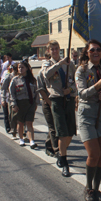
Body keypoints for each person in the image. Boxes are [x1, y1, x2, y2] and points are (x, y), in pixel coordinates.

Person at [75, 39, 101, 201]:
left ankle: (97, 190)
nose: (96, 52)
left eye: (98, 49)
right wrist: (97, 86)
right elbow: (82, 93)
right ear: (87, 53)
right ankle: (88, 188)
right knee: (94, 154)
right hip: (87, 114)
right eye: (92, 50)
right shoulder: (81, 71)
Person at [41, 40, 77, 177]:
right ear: (49, 51)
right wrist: (59, 64)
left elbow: (76, 81)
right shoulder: (47, 64)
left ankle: (62, 153)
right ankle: (64, 160)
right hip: (56, 99)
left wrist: (71, 89)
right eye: (52, 49)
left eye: (57, 48)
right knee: (61, 132)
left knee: (71, 131)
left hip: (68, 99)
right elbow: (46, 75)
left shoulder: (69, 64)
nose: (55, 51)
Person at [10, 60, 39, 149]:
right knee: (20, 122)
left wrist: (36, 103)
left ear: (27, 68)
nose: (20, 69)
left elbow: (36, 92)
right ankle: (21, 139)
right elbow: (12, 93)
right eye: (19, 67)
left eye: (22, 67)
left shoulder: (32, 80)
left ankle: (32, 141)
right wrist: (14, 104)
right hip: (20, 103)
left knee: (29, 122)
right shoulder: (15, 80)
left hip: (30, 103)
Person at [37, 52, 59, 157]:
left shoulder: (55, 72)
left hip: (56, 101)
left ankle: (49, 145)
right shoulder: (41, 74)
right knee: (52, 127)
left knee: (55, 126)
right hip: (47, 102)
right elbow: (42, 91)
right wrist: (49, 103)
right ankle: (56, 150)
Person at [0, 62, 18, 134]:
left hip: (17, 97)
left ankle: (17, 128)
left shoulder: (20, 76)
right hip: (8, 97)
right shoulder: (9, 76)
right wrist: (3, 99)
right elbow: (3, 89)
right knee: (8, 114)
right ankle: (9, 127)